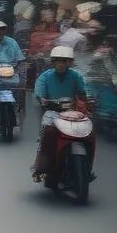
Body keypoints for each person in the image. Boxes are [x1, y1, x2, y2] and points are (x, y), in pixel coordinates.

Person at [32, 45, 93, 181]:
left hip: (74, 112)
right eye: (58, 61)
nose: (61, 64)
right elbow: (39, 92)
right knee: (47, 134)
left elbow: (83, 91)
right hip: (53, 112)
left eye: (64, 61)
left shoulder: (76, 75)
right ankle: (40, 166)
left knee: (89, 133)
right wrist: (43, 99)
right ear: (53, 62)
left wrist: (87, 100)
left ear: (69, 62)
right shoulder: (45, 76)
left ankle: (87, 167)